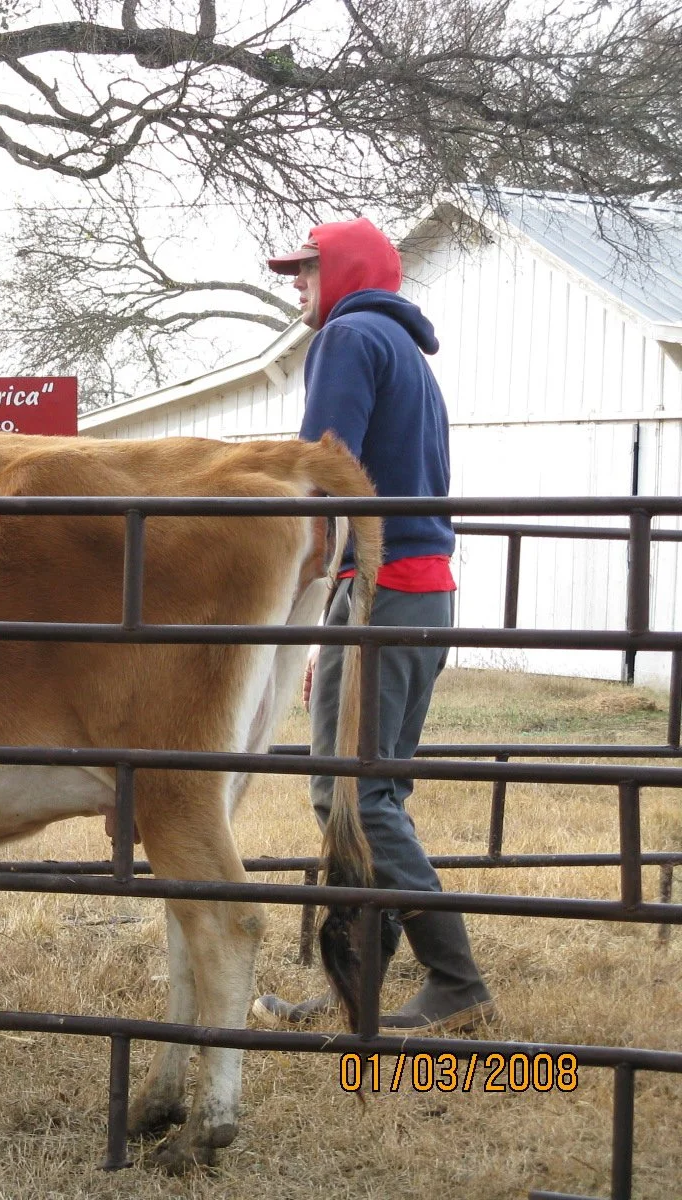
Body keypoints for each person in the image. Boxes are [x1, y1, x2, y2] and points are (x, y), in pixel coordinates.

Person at [251, 217, 498, 1035]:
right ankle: (358, 987)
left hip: (383, 587)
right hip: (414, 589)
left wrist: (297, 587)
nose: (296, 284)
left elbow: (321, 470)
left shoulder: (350, 337)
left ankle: (454, 978)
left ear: (347, 268)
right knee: (368, 790)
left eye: (305, 269)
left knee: (351, 793)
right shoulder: (404, 349)